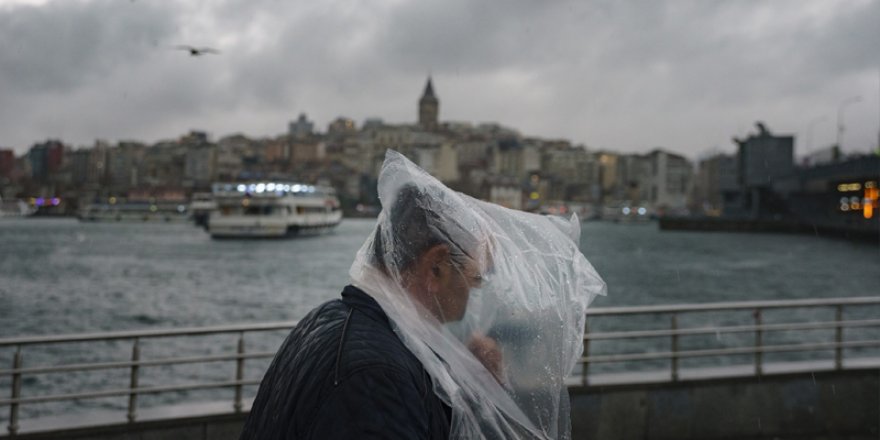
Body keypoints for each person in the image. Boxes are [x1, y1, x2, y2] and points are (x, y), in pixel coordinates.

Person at [240, 151, 605, 439]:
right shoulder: (377, 376)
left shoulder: (329, 319)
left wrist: (469, 387)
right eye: (475, 278)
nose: (475, 293)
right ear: (436, 268)